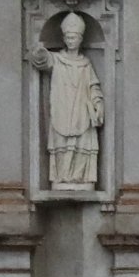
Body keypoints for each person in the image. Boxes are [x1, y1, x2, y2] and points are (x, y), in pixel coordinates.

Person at [30, 12, 104, 190]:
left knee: (81, 144)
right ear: (64, 39)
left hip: (81, 110)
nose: (71, 41)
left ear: (80, 40)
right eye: (69, 38)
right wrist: (39, 52)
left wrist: (98, 104)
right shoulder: (57, 59)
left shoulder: (86, 63)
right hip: (62, 107)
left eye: (74, 38)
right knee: (62, 143)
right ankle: (61, 177)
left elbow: (93, 86)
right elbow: (43, 61)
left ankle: (81, 178)